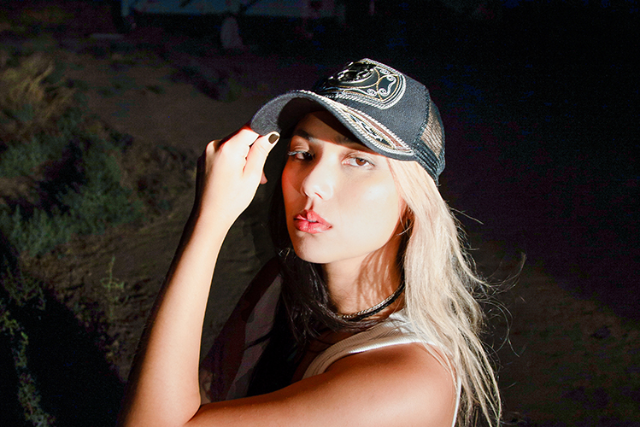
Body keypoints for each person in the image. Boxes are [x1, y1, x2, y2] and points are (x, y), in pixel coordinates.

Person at [117, 58, 501, 427]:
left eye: (358, 160)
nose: (311, 182)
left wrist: (209, 221)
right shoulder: (283, 285)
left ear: (412, 203)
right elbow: (204, 394)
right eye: (303, 153)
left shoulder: (407, 381)